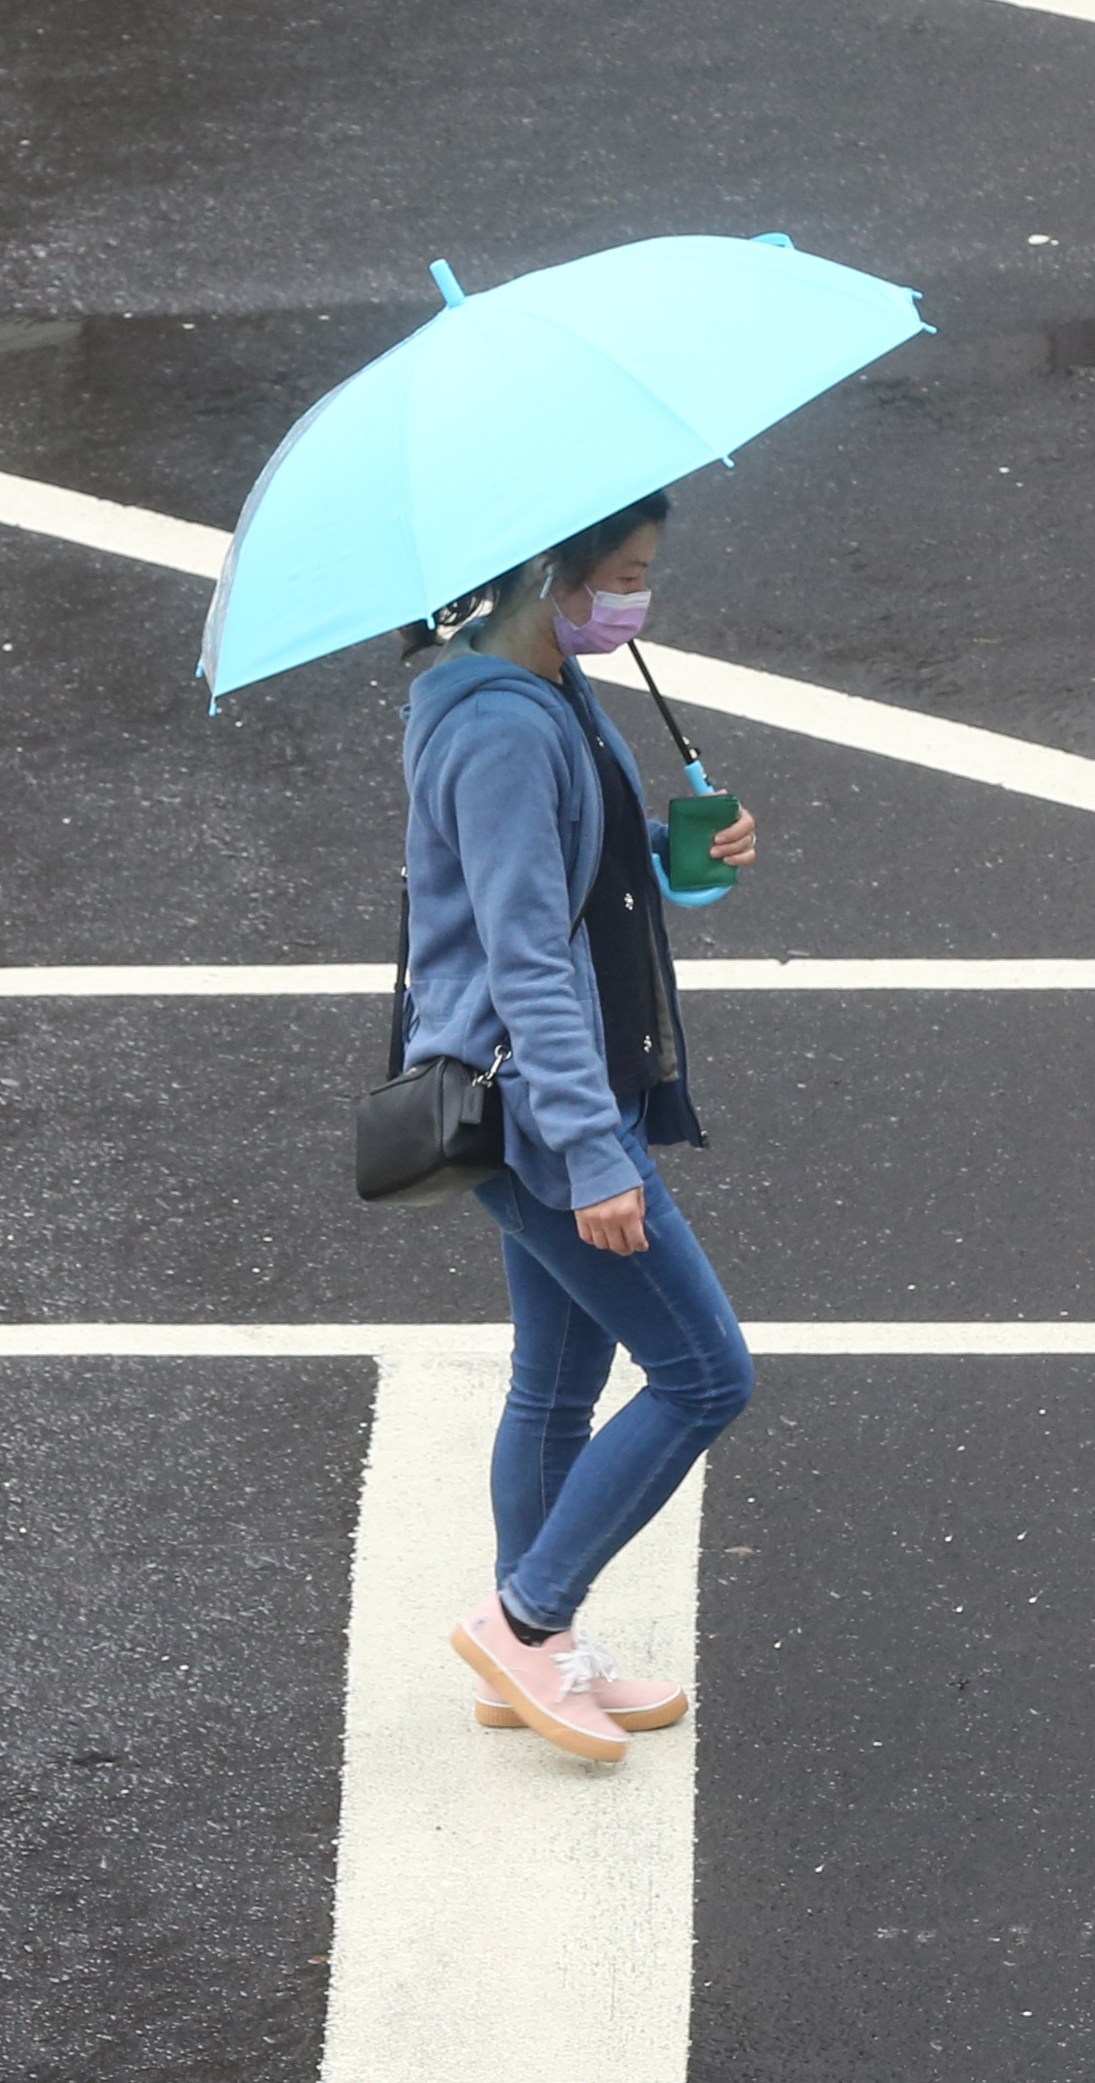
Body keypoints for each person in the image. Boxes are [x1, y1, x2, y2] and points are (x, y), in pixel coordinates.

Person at [395, 490, 760, 1764]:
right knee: (708, 1375)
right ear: (549, 571)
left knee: (557, 1381)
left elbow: (573, 870)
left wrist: (674, 852)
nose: (635, 600)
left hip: (549, 1094)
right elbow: (526, 954)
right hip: (547, 1108)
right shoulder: (502, 727)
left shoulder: (545, 689)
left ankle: (531, 1653)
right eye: (622, 573)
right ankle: (526, 1614)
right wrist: (595, 1152)